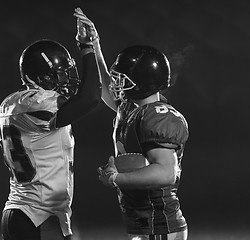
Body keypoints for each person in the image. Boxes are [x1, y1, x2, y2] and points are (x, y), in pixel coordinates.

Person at [75, 11, 189, 239]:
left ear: (143, 83)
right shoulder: (131, 107)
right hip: (142, 220)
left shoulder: (158, 117)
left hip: (160, 224)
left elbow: (165, 173)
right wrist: (93, 45)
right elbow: (107, 87)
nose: (116, 83)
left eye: (122, 79)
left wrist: (117, 178)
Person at [0, 8, 101, 240]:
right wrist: (88, 47)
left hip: (23, 212)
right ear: (42, 76)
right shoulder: (39, 104)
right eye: (61, 75)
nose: (67, 80)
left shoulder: (12, 103)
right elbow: (91, 97)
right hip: (38, 217)